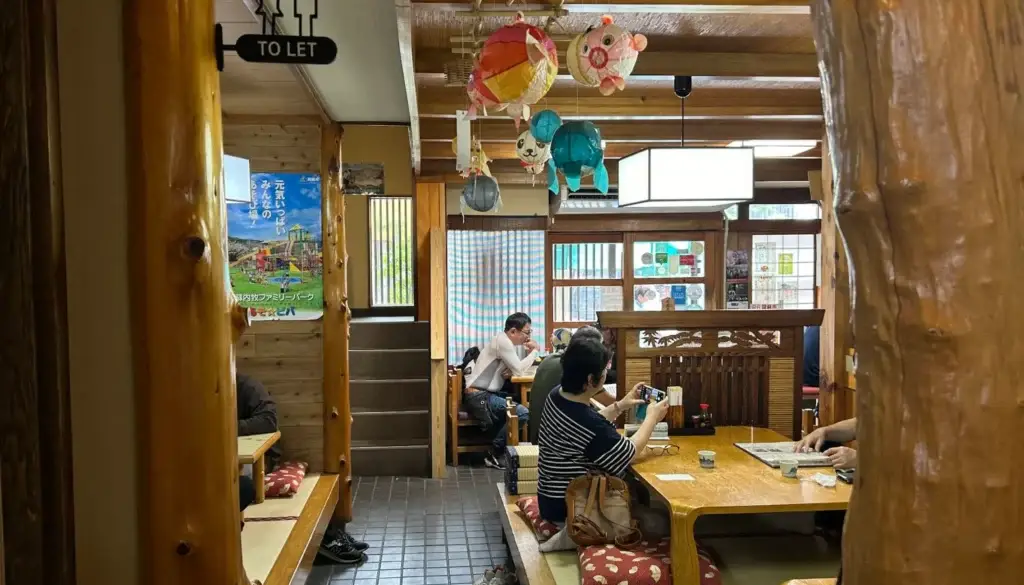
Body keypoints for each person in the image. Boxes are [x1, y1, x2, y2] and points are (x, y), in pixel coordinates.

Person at [536, 337, 670, 538]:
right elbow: (629, 453)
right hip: (573, 507)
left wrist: (621, 405)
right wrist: (652, 417)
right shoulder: (589, 423)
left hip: (549, 497)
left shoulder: (558, 395)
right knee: (662, 524)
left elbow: (585, 427)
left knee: (643, 501)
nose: (607, 372)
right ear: (591, 380)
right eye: (604, 369)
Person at [463, 312, 538, 468]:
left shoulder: (501, 340)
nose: (528, 336)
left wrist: (511, 370)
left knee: (516, 404)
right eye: (526, 332)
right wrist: (534, 352)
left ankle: (505, 451)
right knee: (522, 412)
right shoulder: (503, 342)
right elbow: (518, 370)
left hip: (483, 393)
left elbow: (513, 370)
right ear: (513, 331)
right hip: (479, 396)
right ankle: (494, 453)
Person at [527, 326, 605, 444]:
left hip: (541, 432)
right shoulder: (574, 365)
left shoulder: (552, 358)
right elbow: (605, 399)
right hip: (551, 439)